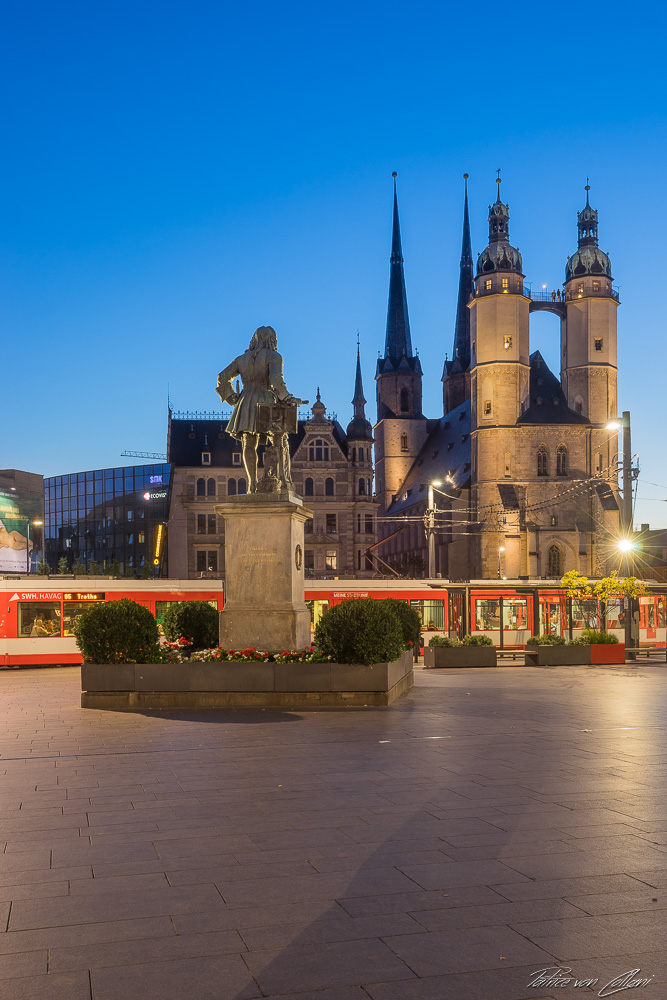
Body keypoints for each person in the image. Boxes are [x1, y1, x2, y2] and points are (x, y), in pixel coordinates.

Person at [215, 326, 304, 492]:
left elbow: (222, 377)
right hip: (267, 401)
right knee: (278, 441)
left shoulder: (241, 359)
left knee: (249, 444)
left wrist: (232, 398)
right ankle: (282, 483)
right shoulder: (274, 356)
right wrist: (289, 399)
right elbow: (276, 382)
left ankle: (252, 484)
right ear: (273, 340)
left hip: (245, 403)